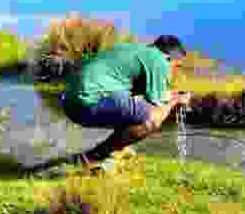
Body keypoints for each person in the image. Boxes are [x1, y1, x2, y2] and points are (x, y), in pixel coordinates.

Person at [60, 35, 193, 171]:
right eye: (177, 66)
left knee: (134, 108)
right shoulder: (159, 59)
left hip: (70, 102)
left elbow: (145, 95)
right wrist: (177, 100)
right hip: (90, 101)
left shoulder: (132, 50)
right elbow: (157, 104)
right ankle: (93, 157)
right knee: (152, 117)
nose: (175, 70)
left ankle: (116, 151)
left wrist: (171, 95)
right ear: (169, 57)